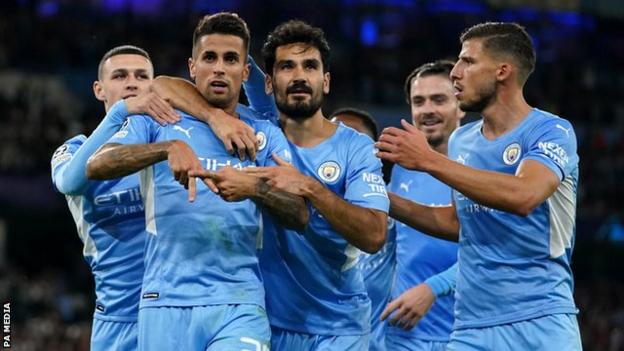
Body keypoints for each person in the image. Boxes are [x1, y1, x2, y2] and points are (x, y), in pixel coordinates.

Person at [86, 13, 308, 351]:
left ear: (245, 72)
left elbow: (300, 213)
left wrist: (253, 188)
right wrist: (166, 149)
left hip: (239, 303)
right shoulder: (161, 119)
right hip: (164, 300)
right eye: (210, 58)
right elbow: (98, 164)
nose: (219, 68)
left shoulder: (263, 134)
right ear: (192, 67)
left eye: (231, 59)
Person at [377, 22, 581, 350]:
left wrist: (428, 160)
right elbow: (458, 223)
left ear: (503, 71)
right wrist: (378, 196)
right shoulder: (462, 140)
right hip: (471, 328)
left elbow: (524, 194)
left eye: (468, 61)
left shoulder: (551, 131)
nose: (456, 72)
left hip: (540, 322)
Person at [51, 44, 261, 351]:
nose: (132, 83)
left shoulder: (169, 139)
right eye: (120, 76)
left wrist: (245, 55)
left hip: (175, 307)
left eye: (142, 77)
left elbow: (263, 114)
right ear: (99, 89)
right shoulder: (76, 149)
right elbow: (70, 181)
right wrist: (122, 112)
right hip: (118, 321)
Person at [243, 20, 389, 351]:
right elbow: (172, 86)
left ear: (325, 81)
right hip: (267, 321)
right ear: (269, 83)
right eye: (286, 67)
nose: (299, 77)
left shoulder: (356, 148)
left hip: (339, 326)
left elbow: (374, 235)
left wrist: (309, 187)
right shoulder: (257, 133)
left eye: (310, 66)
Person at [377, 60, 463, 351]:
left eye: (439, 99)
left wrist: (432, 289)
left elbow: (494, 251)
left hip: (464, 335)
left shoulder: (479, 168)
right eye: (419, 101)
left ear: (460, 106)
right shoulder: (397, 168)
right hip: (402, 336)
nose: (427, 109)